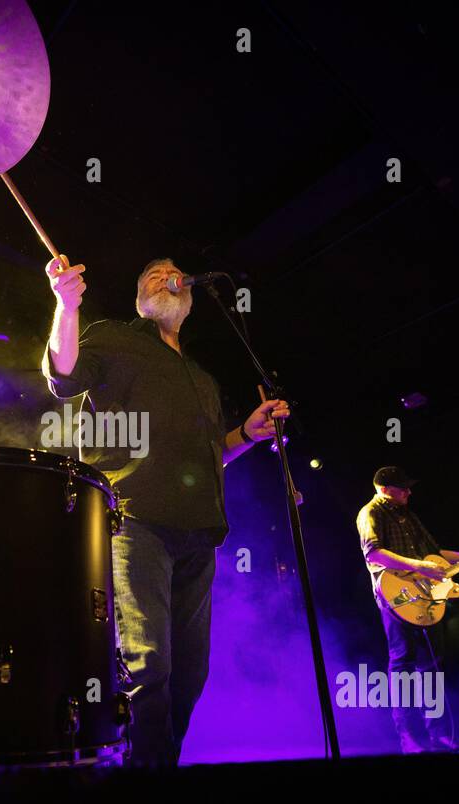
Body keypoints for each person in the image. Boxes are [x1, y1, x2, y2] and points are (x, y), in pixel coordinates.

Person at [41, 254, 288, 765]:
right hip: (136, 519)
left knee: (190, 674)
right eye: (151, 274)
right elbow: (62, 376)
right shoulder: (115, 335)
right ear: (139, 300)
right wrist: (66, 306)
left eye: (173, 273)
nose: (165, 276)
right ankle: (143, 800)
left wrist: (247, 433)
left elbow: (209, 454)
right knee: (148, 663)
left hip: (199, 532)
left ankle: (156, 772)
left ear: (190, 297)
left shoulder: (202, 378)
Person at [355, 466, 459, 753]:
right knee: (402, 666)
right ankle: (407, 738)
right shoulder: (370, 513)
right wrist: (421, 567)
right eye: (403, 488)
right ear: (385, 489)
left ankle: (440, 736)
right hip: (396, 598)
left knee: (432, 667)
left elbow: (436, 554)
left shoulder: (408, 515)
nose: (409, 492)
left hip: (425, 599)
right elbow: (373, 553)